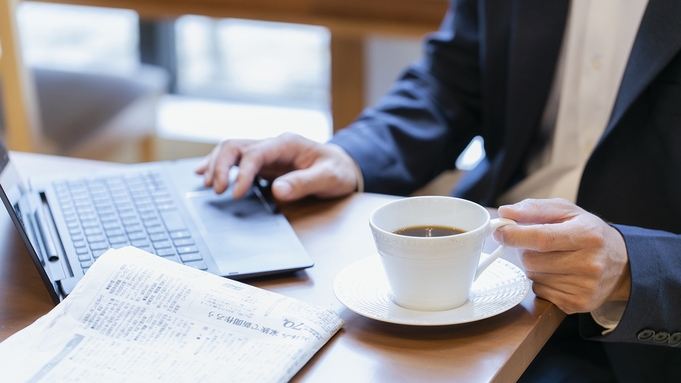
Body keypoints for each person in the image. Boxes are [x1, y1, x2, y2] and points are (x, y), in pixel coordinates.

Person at [197, 0, 681, 381]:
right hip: (482, 278)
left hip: (636, 336)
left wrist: (633, 269)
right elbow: (450, 80)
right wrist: (351, 156)